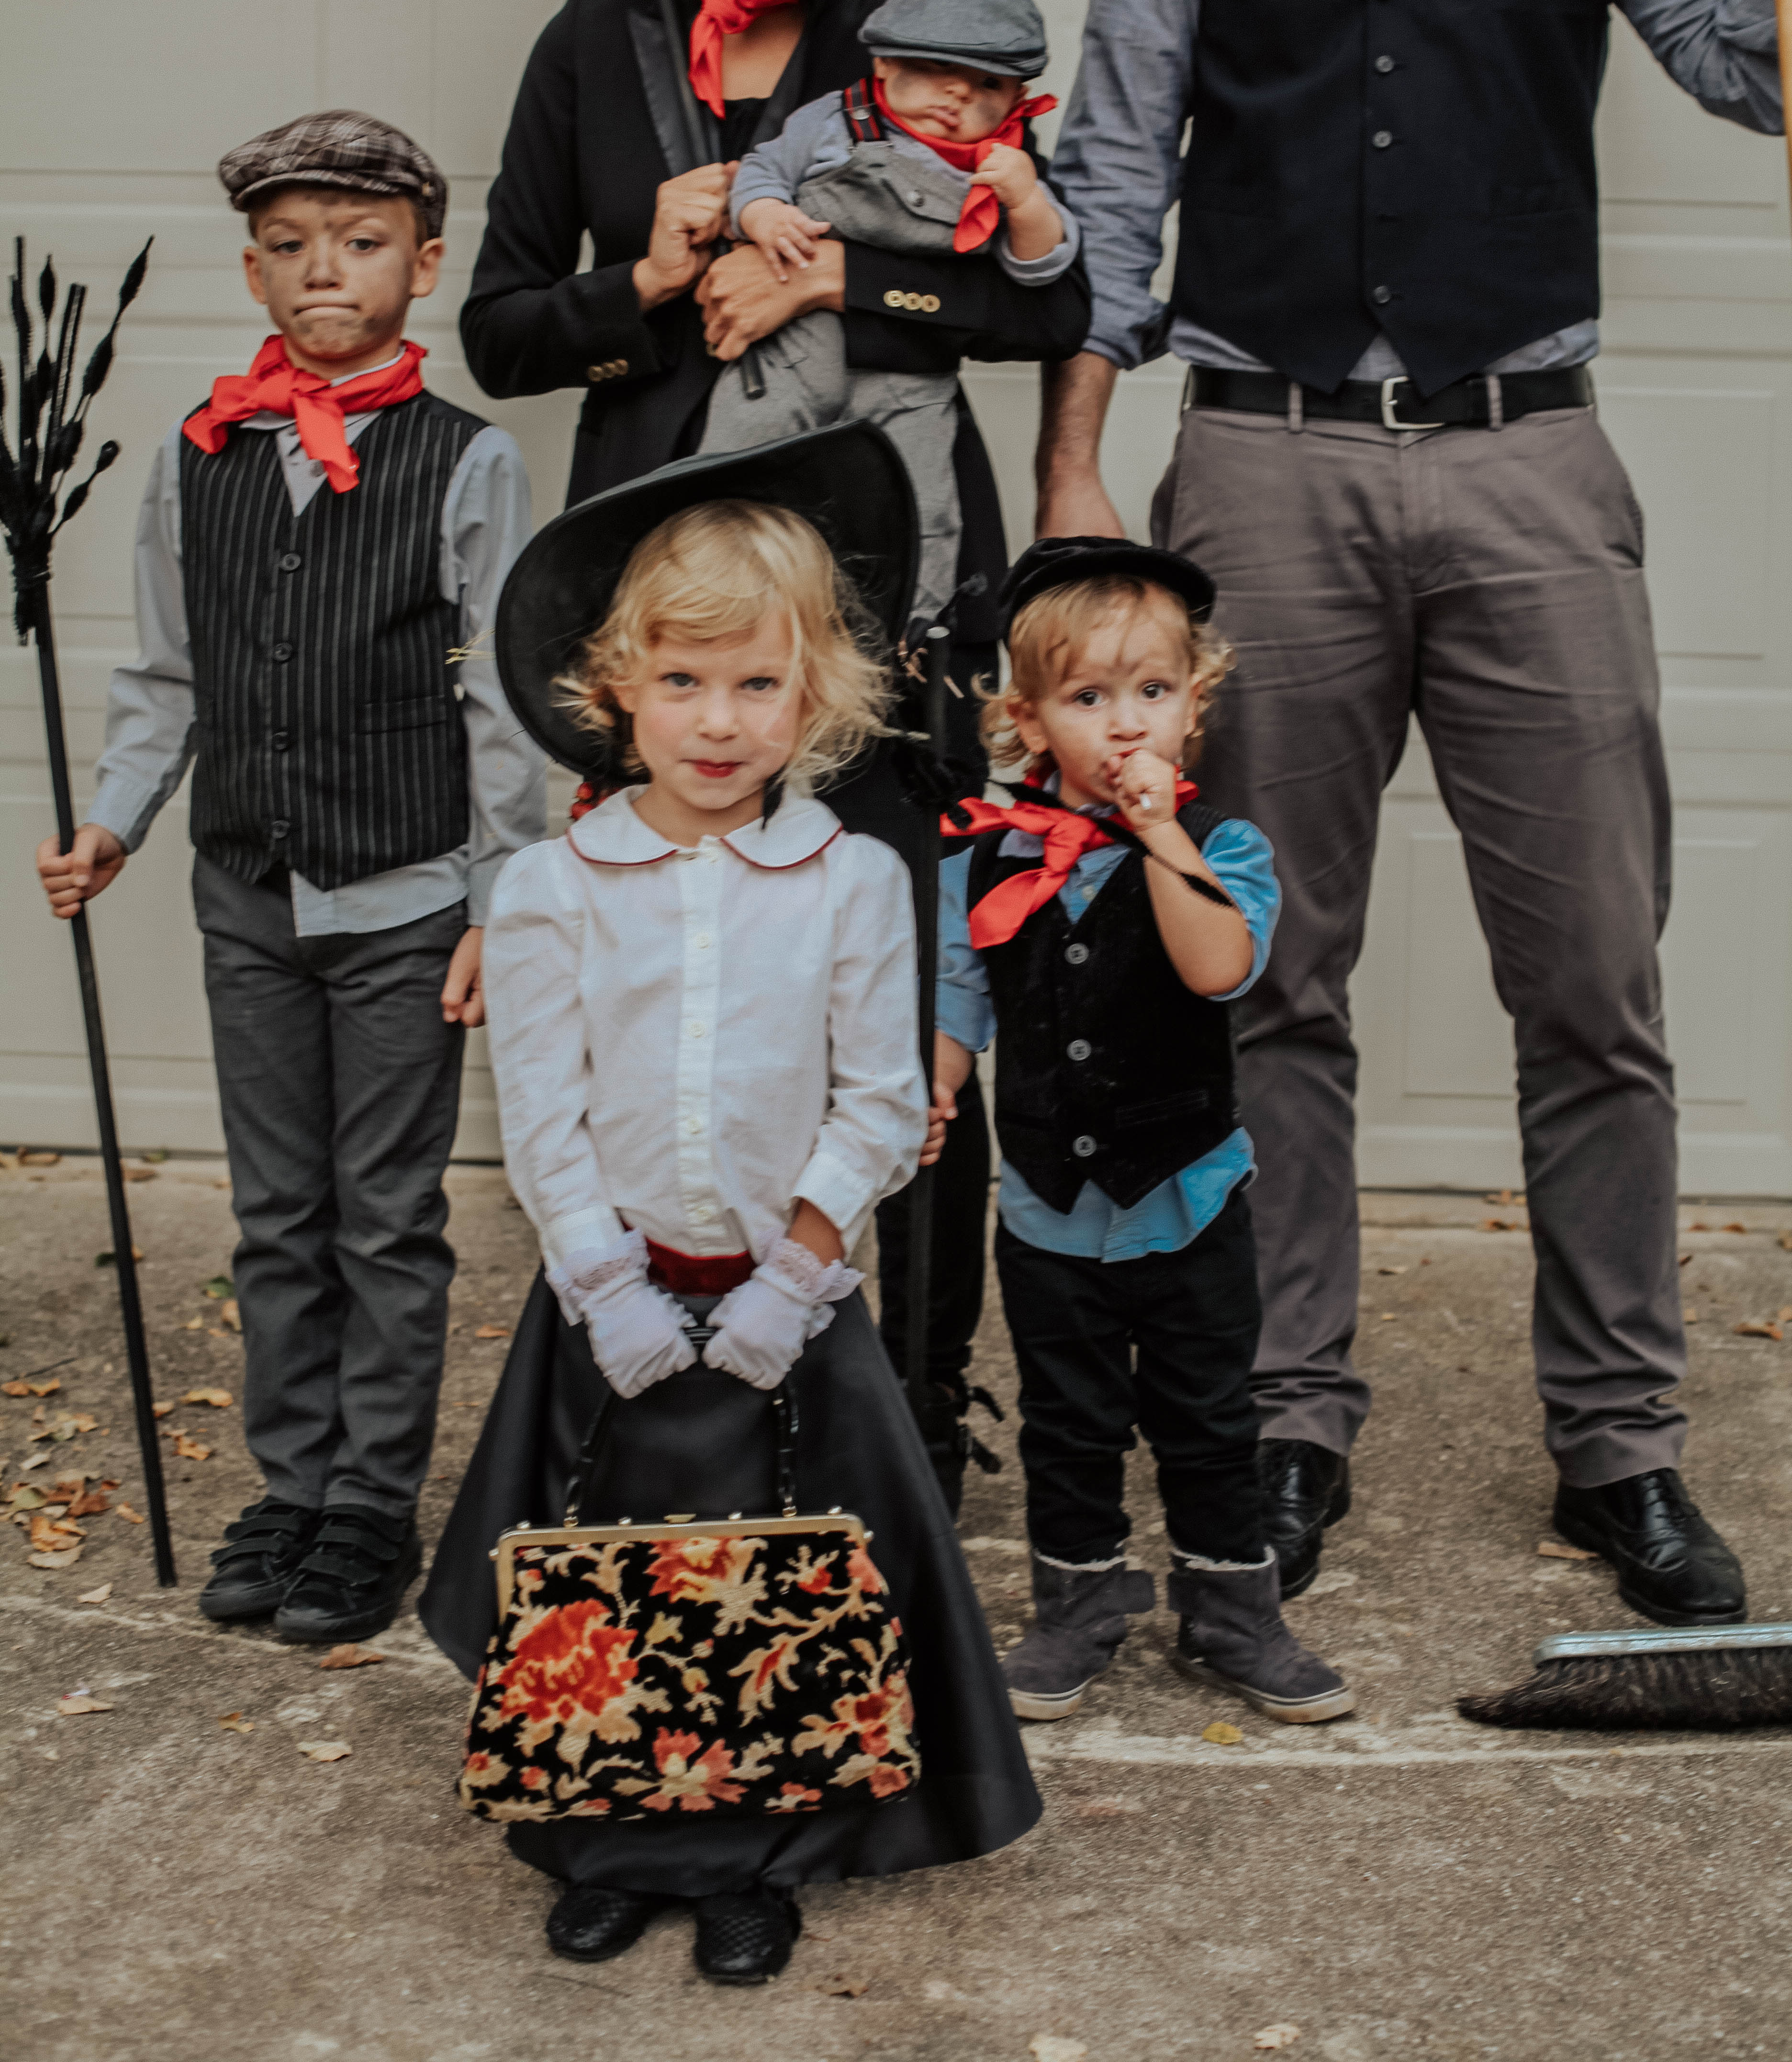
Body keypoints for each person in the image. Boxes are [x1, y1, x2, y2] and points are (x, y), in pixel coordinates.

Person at [1037, 0, 1787, 1623]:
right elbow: (1110, 153)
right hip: (1255, 457)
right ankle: (1284, 1425)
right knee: (1268, 966)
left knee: (1595, 980)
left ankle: (1620, 1448)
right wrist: (1081, 467)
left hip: (1524, 451)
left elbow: (1764, 79)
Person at [464, 0, 1090, 1493]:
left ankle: (905, 1411)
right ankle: (676, 1412)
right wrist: (645, 279)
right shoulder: (597, 37)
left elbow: (1035, 288)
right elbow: (500, 330)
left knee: (900, 1010)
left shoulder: (918, 26)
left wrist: (837, 278)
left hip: (881, 586)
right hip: (658, 601)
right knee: (666, 1018)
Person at [417, 428, 1041, 1986]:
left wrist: (802, 1264)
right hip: (614, 1300)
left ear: (816, 694)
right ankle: (613, 1843)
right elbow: (542, 1105)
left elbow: (881, 1099)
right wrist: (599, 1278)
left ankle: (765, 1856)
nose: (717, 719)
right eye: (683, 681)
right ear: (617, 684)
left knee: (779, 1580)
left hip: (785, 1302)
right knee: (612, 1579)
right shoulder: (554, 891)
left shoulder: (843, 882)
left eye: (757, 684)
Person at [35, 110, 545, 1643]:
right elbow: (170, 678)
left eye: (365, 240)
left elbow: (496, 689)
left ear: (426, 264)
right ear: (254, 270)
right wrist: (115, 820)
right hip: (245, 891)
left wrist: (499, 899)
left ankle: (372, 1505)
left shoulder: (468, 460)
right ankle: (294, 1482)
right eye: (293, 244)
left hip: (404, 898)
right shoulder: (201, 463)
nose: (328, 270)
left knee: (382, 1215)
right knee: (275, 1214)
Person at [929, 536, 1351, 1729]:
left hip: (1189, 1196)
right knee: (1069, 1421)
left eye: (1153, 693)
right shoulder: (987, 855)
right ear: (1026, 719)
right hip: (1049, 1204)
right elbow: (961, 993)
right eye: (1089, 697)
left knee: (1208, 1419)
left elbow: (1219, 968)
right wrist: (938, 1086)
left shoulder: (1224, 851)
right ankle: (1079, 1599)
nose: (1126, 725)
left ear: (1194, 704)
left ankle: (1234, 1607)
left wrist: (1160, 836)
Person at [703, 0, 1079, 623]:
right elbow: (762, 170)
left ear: (1020, 97)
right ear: (882, 66)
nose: (958, 94)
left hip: (912, 376)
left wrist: (1024, 199)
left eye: (988, 85)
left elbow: (1044, 280)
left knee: (922, 503)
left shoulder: (1004, 160)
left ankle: (913, 627)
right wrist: (762, 215)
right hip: (797, 348)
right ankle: (720, 593)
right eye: (936, 70)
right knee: (747, 460)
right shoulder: (830, 123)